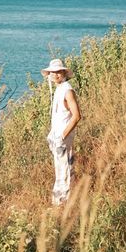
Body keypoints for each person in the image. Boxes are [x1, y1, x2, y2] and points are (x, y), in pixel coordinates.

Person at [41, 59, 82, 206]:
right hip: (56, 138)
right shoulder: (59, 89)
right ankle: (59, 203)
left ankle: (62, 206)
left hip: (63, 139)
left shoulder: (67, 90)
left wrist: (62, 136)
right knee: (61, 171)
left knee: (64, 172)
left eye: (58, 72)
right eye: (53, 72)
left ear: (64, 73)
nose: (55, 75)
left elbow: (77, 116)